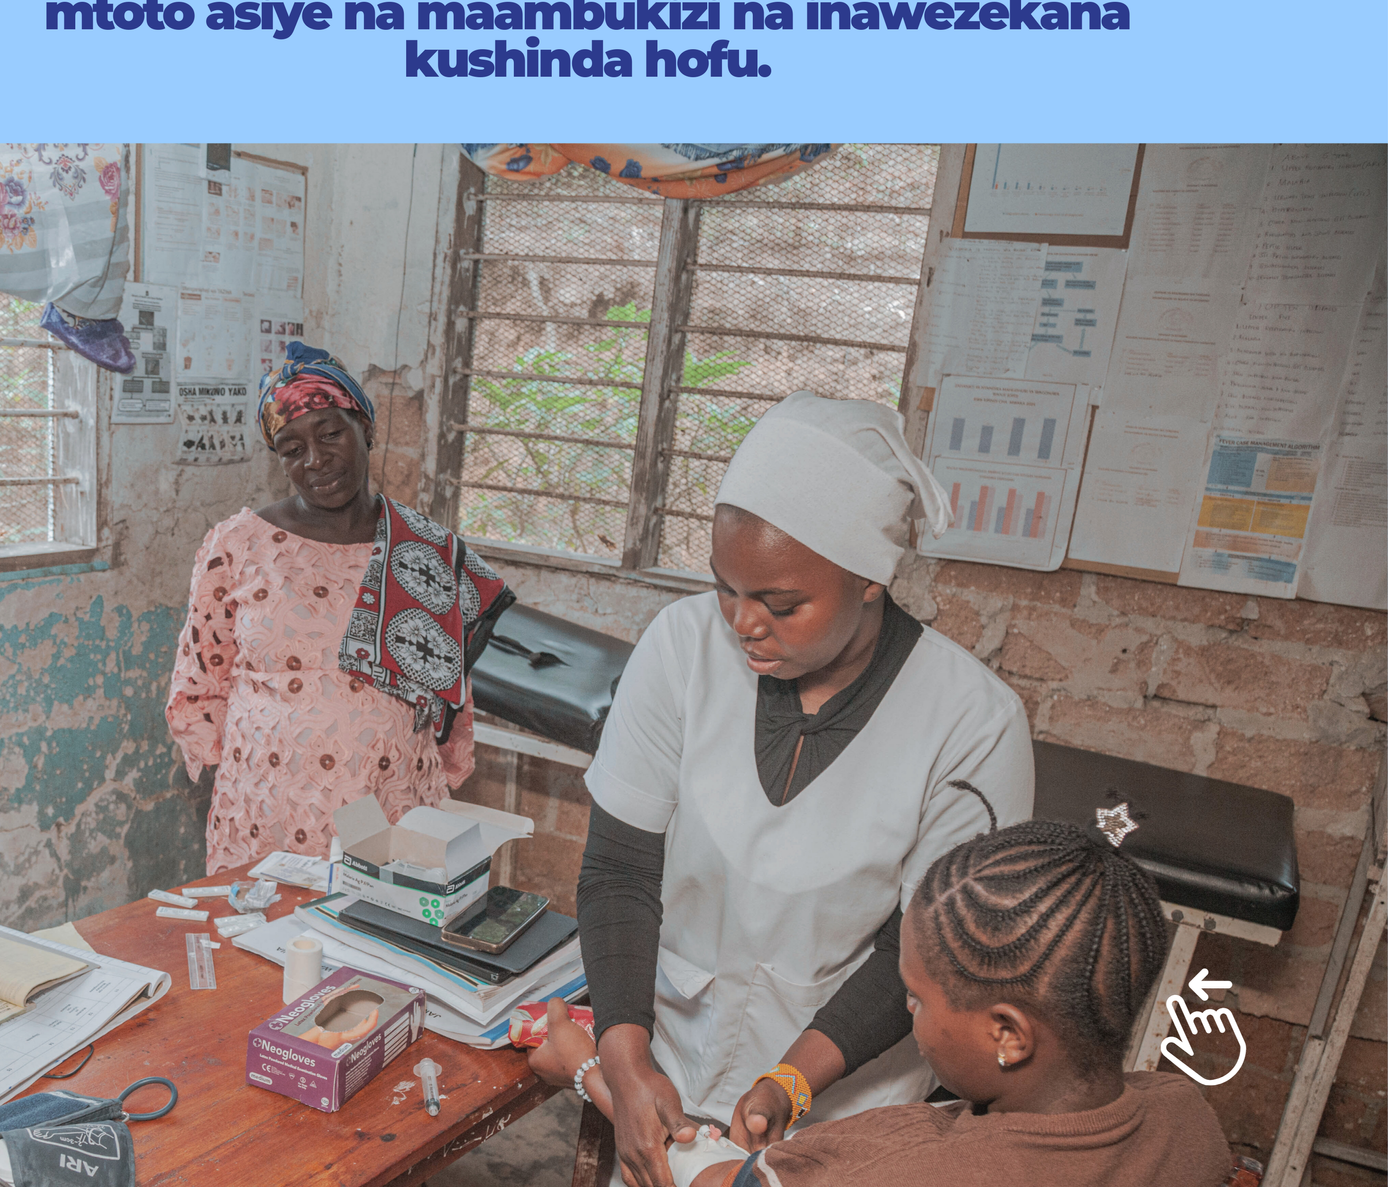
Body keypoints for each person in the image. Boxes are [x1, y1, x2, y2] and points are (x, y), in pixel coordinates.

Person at [573, 393, 1036, 1187]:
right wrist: (624, 1057)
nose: (742, 622)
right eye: (725, 587)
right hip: (670, 1072)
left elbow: (928, 951)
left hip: (847, 1111)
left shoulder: (971, 722)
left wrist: (793, 1081)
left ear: (869, 580)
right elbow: (620, 871)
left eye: (781, 604)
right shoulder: (682, 649)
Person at [531, 807, 1240, 1187]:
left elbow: (700, 1175)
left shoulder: (892, 1163)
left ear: (1008, 1034)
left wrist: (588, 1069)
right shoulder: (1185, 1116)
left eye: (919, 999)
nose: (906, 1010)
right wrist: (787, 1086)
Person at [165, 341, 515, 873]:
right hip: (267, 810)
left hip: (392, 804)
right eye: (292, 449)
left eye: (331, 434)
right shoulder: (237, 546)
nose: (316, 460)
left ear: (365, 428)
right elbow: (200, 681)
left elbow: (449, 691)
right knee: (264, 927)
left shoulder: (427, 551)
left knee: (379, 926)